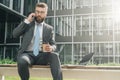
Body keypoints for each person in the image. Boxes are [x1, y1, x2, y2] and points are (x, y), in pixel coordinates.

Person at [13, 2, 63, 80]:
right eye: (37, 11)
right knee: (22, 61)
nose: (39, 14)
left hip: (42, 55)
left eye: (42, 12)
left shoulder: (49, 28)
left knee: (54, 56)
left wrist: (51, 48)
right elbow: (15, 34)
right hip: (27, 55)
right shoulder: (27, 24)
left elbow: (54, 44)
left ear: (46, 14)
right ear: (34, 12)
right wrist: (27, 21)